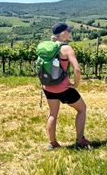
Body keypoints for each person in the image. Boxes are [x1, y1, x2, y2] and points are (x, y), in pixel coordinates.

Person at [43, 22, 91, 150]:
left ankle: (52, 144)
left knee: (53, 114)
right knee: (82, 109)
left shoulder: (48, 47)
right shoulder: (66, 49)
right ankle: (80, 140)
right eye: (68, 31)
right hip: (64, 88)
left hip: (48, 87)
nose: (70, 33)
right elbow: (77, 69)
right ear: (62, 33)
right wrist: (75, 84)